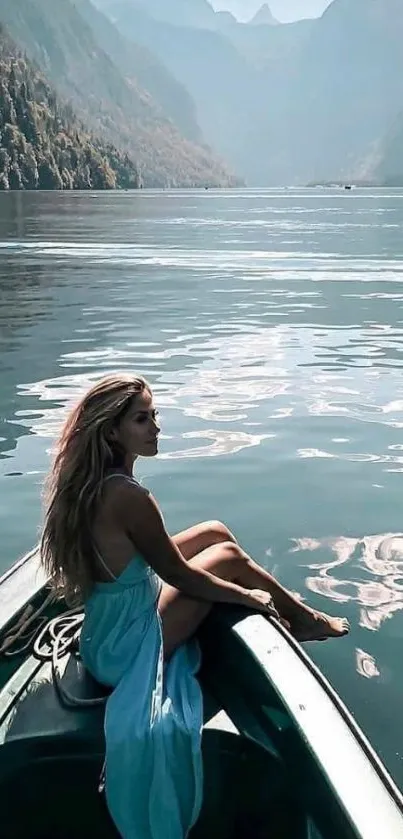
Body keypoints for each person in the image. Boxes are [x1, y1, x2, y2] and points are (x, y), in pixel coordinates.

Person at [40, 373, 349, 839]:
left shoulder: (98, 484)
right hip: (128, 646)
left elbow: (150, 561)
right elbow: (178, 575)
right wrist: (247, 596)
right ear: (111, 431)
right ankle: (304, 619)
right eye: (142, 419)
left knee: (214, 531)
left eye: (154, 416)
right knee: (226, 557)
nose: (156, 428)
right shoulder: (129, 497)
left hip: (104, 631)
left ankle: (301, 616)